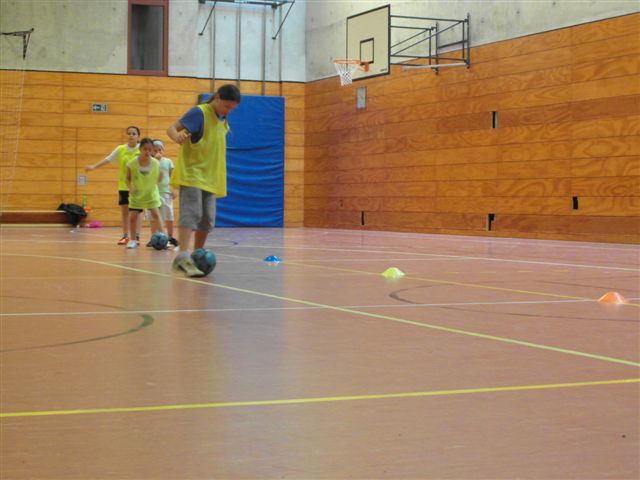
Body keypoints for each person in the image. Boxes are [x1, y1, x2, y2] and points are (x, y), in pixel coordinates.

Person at [166, 84, 241, 277]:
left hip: (211, 175)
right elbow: (171, 128)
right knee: (192, 213)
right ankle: (182, 256)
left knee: (207, 219)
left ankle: (197, 255)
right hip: (193, 172)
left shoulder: (223, 119)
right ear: (216, 97)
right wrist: (177, 137)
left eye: (232, 108)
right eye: (226, 106)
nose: (228, 110)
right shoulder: (199, 113)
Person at [85, 126, 141, 245]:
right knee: (125, 211)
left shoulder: (141, 149)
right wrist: (94, 166)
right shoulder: (121, 149)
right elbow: (108, 159)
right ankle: (125, 236)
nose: (131, 135)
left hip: (138, 187)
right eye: (129, 133)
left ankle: (136, 236)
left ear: (138, 136)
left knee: (137, 212)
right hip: (123, 185)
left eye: (134, 133)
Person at [125, 137, 165, 249]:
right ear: (140, 149)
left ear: (152, 150)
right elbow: (127, 179)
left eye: (150, 149)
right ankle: (133, 240)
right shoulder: (132, 163)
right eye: (145, 149)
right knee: (132, 217)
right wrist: (130, 186)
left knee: (157, 215)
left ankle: (164, 239)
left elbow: (160, 177)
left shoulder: (156, 163)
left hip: (151, 195)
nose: (147, 152)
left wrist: (157, 179)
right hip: (137, 195)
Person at [144, 140, 178, 248]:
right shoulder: (149, 162)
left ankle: (170, 236)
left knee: (169, 215)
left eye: (160, 149)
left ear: (163, 150)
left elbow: (173, 176)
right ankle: (154, 237)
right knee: (153, 216)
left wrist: (175, 189)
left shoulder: (168, 162)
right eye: (155, 150)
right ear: (152, 151)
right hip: (152, 192)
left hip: (165, 191)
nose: (158, 152)